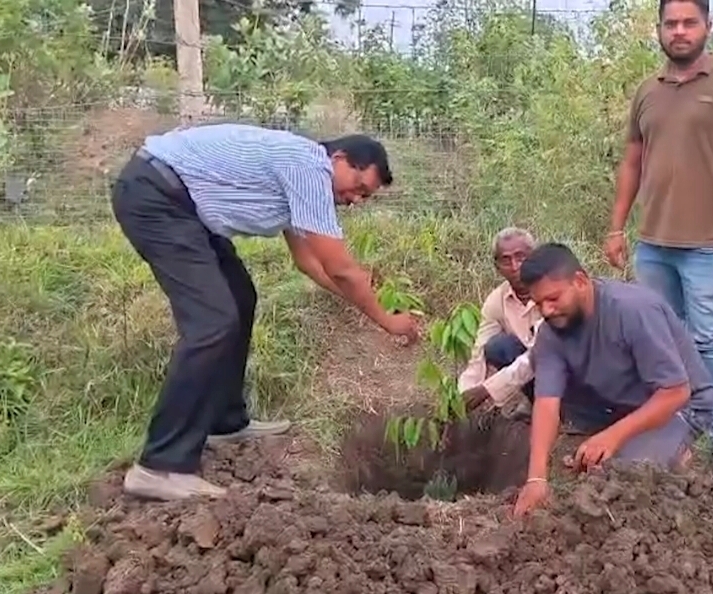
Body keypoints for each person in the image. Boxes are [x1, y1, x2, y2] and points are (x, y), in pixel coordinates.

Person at [112, 123, 421, 501]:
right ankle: (160, 466)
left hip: (183, 207)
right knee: (212, 321)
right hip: (157, 196)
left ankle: (225, 421)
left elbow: (310, 264)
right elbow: (340, 268)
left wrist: (365, 300)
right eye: (358, 187)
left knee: (240, 298)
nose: (355, 199)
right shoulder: (309, 166)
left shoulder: (302, 178)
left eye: (365, 197)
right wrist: (388, 321)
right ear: (339, 159)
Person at [603, 0, 713, 481]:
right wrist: (617, 227)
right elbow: (632, 162)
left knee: (711, 340)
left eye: (688, 23)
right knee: (659, 342)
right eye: (670, 23)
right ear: (659, 29)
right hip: (654, 242)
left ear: (707, 27)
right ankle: (671, 431)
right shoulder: (647, 91)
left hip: (709, 245)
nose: (679, 31)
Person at [511, 243, 713, 517]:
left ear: (580, 281)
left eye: (553, 298)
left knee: (619, 479)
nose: (547, 311)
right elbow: (547, 402)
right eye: (538, 304)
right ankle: (632, 438)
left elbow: (677, 392)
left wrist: (613, 436)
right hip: (615, 401)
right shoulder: (552, 332)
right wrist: (536, 479)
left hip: (681, 405)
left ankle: (675, 449)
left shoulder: (632, 311)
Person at [456, 227, 540, 419]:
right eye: (506, 260)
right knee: (497, 347)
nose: (515, 266)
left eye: (521, 257)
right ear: (497, 266)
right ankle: (536, 401)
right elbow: (479, 353)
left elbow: (541, 354)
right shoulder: (497, 300)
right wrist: (463, 395)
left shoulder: (551, 293)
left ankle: (569, 409)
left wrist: (488, 389)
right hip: (533, 371)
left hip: (567, 371)